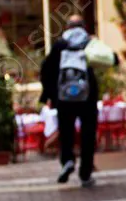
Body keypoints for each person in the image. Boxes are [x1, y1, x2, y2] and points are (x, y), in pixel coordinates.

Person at [40, 14, 108, 186]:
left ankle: (68, 160)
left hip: (64, 99)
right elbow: (108, 60)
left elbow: (46, 69)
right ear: (83, 26)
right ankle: (85, 173)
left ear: (68, 27)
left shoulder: (59, 45)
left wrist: (49, 95)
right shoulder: (90, 43)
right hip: (87, 98)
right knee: (87, 134)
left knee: (66, 132)